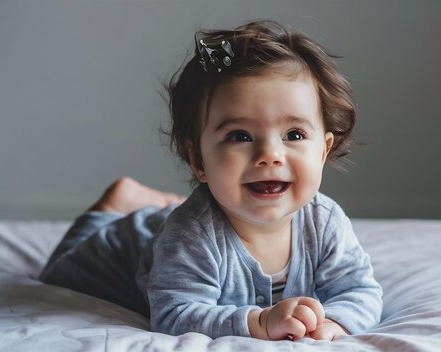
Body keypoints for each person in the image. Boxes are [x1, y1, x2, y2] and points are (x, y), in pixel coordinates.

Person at [40, 20, 382, 341]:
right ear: (198, 160)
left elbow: (359, 292)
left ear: (323, 151)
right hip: (116, 251)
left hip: (167, 227)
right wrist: (258, 322)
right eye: (240, 136)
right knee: (57, 271)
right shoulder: (191, 235)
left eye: (293, 134)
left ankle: (145, 204)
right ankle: (113, 206)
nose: (270, 154)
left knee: (166, 223)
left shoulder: (325, 223)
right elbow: (175, 314)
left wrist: (334, 324)